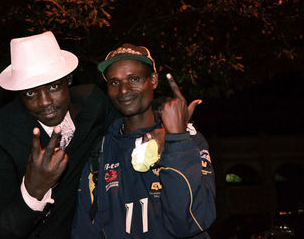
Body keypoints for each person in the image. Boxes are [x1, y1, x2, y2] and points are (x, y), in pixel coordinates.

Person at [0, 31, 119, 239]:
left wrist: (162, 126)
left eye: (54, 86)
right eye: (31, 93)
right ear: (19, 93)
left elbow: (127, 119)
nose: (45, 101)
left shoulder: (93, 104)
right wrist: (33, 190)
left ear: (68, 80)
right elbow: (0, 229)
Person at [71, 44, 216, 238]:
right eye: (114, 82)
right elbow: (85, 231)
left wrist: (176, 140)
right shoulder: (100, 152)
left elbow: (189, 223)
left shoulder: (188, 140)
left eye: (134, 79)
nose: (123, 90)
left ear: (153, 80)